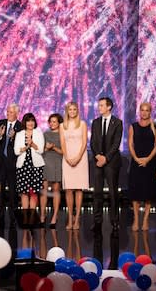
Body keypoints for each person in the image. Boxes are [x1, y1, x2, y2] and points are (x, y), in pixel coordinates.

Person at [90, 97, 123, 231]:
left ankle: (115, 221)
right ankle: (97, 221)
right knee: (97, 192)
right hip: (98, 161)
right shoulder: (96, 122)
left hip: (111, 162)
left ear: (109, 107)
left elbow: (116, 143)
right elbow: (92, 142)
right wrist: (98, 156)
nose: (99, 107)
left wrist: (106, 158)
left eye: (102, 105)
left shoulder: (117, 122)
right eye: (99, 105)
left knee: (113, 193)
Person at [127, 102, 156, 231]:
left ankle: (145, 220)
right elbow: (130, 143)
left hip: (150, 162)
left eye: (147, 110)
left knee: (148, 192)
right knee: (135, 192)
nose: (144, 112)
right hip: (137, 162)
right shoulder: (133, 126)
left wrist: (147, 159)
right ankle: (136, 219)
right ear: (139, 111)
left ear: (150, 111)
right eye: (142, 110)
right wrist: (136, 158)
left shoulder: (155, 126)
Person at [0, 103, 22, 230]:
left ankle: (13, 218)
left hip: (13, 163)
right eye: (8, 111)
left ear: (17, 113)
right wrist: (0, 135)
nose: (8, 114)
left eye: (11, 112)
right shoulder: (0, 123)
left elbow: (21, 144)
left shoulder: (21, 126)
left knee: (12, 192)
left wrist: (14, 137)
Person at [61, 102, 89, 230]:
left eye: (74, 109)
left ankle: (77, 219)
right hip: (67, 158)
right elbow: (63, 143)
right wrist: (67, 158)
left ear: (77, 111)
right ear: (67, 111)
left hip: (81, 158)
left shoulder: (82, 124)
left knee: (78, 189)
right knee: (68, 190)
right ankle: (70, 218)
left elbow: (84, 142)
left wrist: (78, 158)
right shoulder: (62, 125)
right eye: (70, 109)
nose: (72, 111)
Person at [14, 113, 45, 211]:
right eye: (28, 121)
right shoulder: (19, 134)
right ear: (25, 122)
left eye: (32, 121)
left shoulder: (39, 133)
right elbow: (16, 151)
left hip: (36, 166)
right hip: (23, 166)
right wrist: (25, 147)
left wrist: (32, 144)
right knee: (24, 192)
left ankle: (32, 217)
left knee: (33, 192)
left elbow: (41, 150)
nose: (30, 123)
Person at [40, 113, 63, 229]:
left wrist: (53, 147)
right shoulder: (45, 134)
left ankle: (55, 215)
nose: (52, 124)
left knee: (56, 190)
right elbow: (41, 150)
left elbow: (64, 152)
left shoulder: (62, 134)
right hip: (46, 162)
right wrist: (46, 148)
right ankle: (43, 214)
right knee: (44, 189)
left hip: (58, 163)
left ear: (59, 123)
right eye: (51, 121)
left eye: (55, 121)